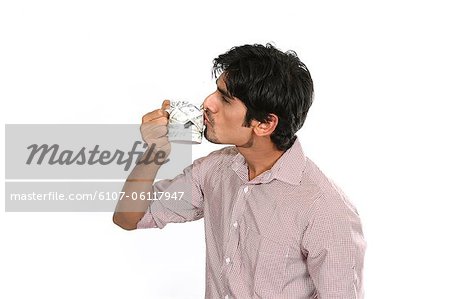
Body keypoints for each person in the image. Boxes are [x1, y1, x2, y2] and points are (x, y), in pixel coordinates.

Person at [113, 43, 366, 298]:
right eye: (216, 91)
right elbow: (128, 217)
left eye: (225, 99)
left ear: (265, 123)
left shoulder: (326, 209)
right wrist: (155, 151)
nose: (208, 103)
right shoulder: (215, 169)